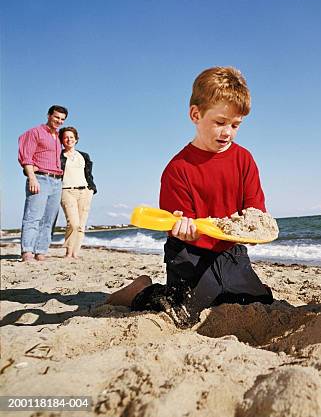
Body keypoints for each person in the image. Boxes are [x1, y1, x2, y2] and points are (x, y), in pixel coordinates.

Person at [106, 66, 273, 326]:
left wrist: (255, 233)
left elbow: (253, 213)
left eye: (235, 125)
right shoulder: (178, 169)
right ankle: (138, 292)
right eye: (219, 122)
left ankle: (241, 282)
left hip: (229, 250)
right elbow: (177, 223)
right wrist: (183, 229)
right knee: (183, 313)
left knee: (256, 305)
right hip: (189, 252)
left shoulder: (244, 160)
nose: (227, 132)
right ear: (196, 114)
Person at [18, 105, 68, 262]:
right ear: (48, 115)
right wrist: (32, 177)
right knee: (33, 217)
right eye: (56, 117)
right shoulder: (35, 132)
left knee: (49, 219)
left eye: (62, 119)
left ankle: (41, 251)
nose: (58, 121)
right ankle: (27, 252)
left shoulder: (59, 137)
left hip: (57, 181)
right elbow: (26, 156)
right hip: (40, 178)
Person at [59, 126, 97, 259]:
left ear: (76, 139)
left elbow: (89, 174)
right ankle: (68, 252)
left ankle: (75, 253)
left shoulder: (84, 156)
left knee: (81, 225)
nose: (69, 139)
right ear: (62, 140)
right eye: (65, 137)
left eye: (71, 137)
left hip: (85, 191)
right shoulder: (59, 156)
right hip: (66, 191)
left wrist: (91, 189)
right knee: (73, 223)